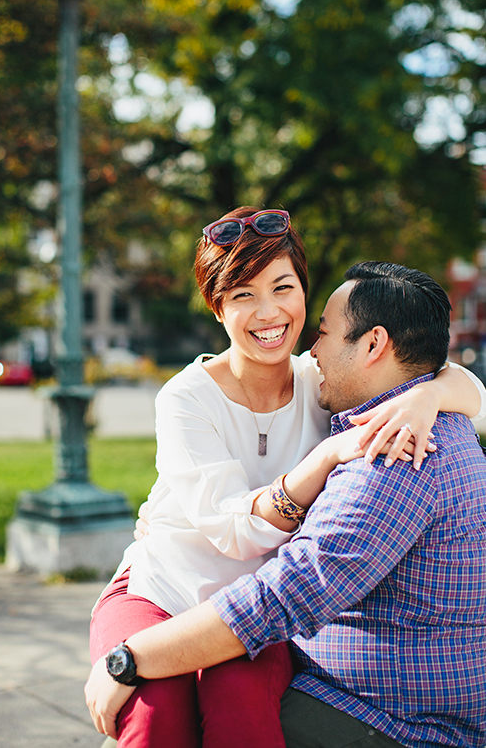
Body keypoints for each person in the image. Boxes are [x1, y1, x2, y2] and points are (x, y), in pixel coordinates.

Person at [88, 209, 486, 748]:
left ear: (303, 291)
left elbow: (448, 375)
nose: (268, 311)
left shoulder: (322, 382)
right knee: (154, 721)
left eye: (283, 287)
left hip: (252, 612)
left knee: (243, 714)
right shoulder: (187, 397)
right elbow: (236, 532)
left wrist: (429, 395)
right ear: (218, 307)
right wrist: (322, 460)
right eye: (243, 295)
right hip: (164, 588)